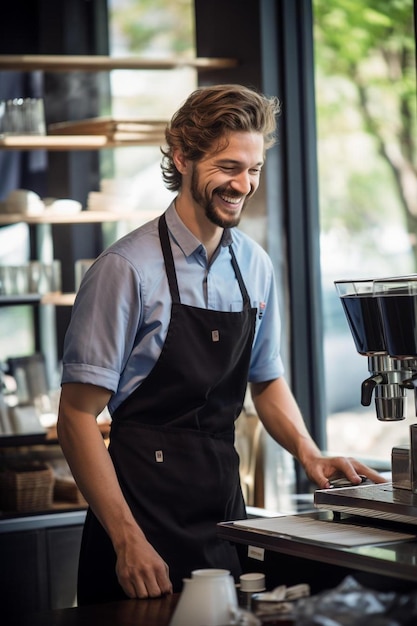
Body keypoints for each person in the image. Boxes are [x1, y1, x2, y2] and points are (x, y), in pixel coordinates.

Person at [57, 84, 385, 605]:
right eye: (229, 166)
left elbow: (267, 378)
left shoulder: (254, 265)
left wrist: (309, 452)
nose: (243, 184)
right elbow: (76, 418)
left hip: (222, 514)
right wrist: (126, 539)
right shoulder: (125, 270)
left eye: (253, 169)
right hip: (139, 515)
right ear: (183, 156)